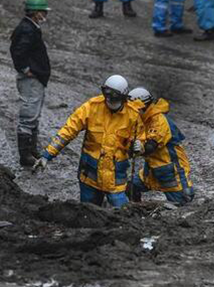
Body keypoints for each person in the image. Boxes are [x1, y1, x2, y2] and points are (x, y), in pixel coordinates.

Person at [33, 75, 144, 207]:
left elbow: (139, 139)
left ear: (123, 98)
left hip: (115, 178)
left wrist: (139, 146)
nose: (109, 101)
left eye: (113, 99)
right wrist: (47, 155)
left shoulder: (133, 115)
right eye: (106, 96)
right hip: (90, 175)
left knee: (121, 212)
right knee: (88, 212)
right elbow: (68, 131)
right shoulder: (92, 107)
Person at [127, 87, 195, 206]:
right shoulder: (141, 120)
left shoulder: (159, 120)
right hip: (151, 170)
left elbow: (151, 145)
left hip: (171, 171)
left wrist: (141, 148)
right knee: (130, 187)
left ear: (144, 107)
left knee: (183, 201)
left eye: (135, 110)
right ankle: (136, 211)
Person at [10, 0, 51, 167]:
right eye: (43, 12)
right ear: (36, 13)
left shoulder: (30, 27)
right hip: (31, 81)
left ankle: (31, 150)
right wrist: (26, 69)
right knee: (28, 115)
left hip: (36, 79)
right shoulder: (28, 29)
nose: (45, 15)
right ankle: (25, 155)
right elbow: (18, 52)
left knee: (34, 114)